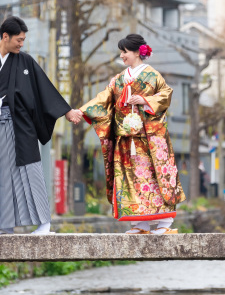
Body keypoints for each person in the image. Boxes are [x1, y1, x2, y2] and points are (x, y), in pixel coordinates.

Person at [0, 16, 83, 234]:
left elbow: (43, 88)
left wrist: (67, 112)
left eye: (23, 40)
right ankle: (4, 225)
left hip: (20, 126)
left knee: (30, 172)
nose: (22, 44)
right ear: (5, 36)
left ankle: (44, 224)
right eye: (19, 40)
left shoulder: (26, 61)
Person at [78, 33, 185, 234]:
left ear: (137, 52)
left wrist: (145, 101)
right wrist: (81, 111)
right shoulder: (119, 79)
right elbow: (104, 98)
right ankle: (140, 223)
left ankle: (165, 223)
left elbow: (166, 94)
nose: (122, 56)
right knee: (131, 178)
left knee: (156, 177)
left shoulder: (153, 75)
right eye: (121, 52)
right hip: (126, 138)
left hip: (149, 138)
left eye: (124, 51)